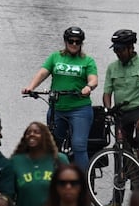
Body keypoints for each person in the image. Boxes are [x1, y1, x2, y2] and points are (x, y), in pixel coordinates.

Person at [22, 26, 97, 169]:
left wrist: (88, 87)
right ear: (65, 41)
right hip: (57, 108)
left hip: (79, 109)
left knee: (78, 145)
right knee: (52, 145)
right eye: (71, 41)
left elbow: (93, 79)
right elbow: (43, 73)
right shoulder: (55, 57)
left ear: (81, 43)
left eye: (77, 41)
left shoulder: (88, 61)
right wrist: (31, 87)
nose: (74, 44)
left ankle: (83, 183)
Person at [100, 29, 139, 170]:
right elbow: (107, 93)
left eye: (121, 50)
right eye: (116, 51)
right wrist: (108, 111)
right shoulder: (112, 68)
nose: (118, 54)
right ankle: (119, 182)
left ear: (131, 48)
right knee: (119, 146)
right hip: (121, 113)